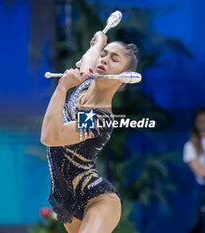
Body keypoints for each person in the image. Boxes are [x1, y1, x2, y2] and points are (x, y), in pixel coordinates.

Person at [40, 31, 139, 233]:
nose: (104, 60)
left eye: (114, 59)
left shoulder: (98, 118)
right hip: (68, 199)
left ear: (123, 78)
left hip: (97, 199)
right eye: (105, 54)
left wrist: (62, 88)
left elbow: (50, 136)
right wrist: (99, 43)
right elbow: (90, 59)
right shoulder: (85, 83)